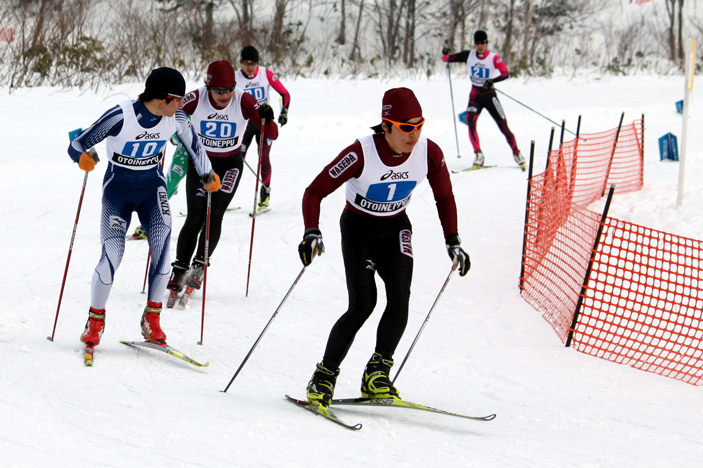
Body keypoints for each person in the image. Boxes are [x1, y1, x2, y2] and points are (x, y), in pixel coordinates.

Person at [297, 88, 471, 409]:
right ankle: (324, 376)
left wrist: (453, 239)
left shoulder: (428, 153)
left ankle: (377, 374)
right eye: (406, 127)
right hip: (359, 228)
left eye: (419, 125)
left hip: (396, 228)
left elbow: (444, 196)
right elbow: (314, 191)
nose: (414, 134)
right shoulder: (361, 153)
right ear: (386, 125)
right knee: (363, 303)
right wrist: (311, 231)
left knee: (400, 300)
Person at [67, 67, 220, 347]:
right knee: (112, 254)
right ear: (163, 98)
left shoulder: (177, 118)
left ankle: (152, 319)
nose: (182, 104)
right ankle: (95, 320)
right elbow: (78, 141)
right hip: (118, 190)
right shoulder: (121, 115)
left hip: (153, 188)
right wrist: (82, 157)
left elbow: (196, 148)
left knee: (162, 251)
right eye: (178, 98)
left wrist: (208, 174)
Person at [168, 60, 279, 296]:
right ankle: (179, 269)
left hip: (230, 166)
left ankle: (199, 265)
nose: (225, 95)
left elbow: (273, 134)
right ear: (209, 86)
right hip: (202, 165)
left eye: (229, 89)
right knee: (195, 216)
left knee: (214, 215)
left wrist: (267, 119)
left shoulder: (244, 99)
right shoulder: (196, 97)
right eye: (219, 90)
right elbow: (170, 116)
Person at [443, 30, 525, 170]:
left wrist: (492, 81)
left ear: (487, 43)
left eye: (483, 43)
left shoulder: (493, 58)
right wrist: (445, 53)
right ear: (475, 44)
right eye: (478, 43)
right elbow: (447, 59)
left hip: (490, 96)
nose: (480, 46)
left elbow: (505, 73)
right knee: (470, 121)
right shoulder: (469, 55)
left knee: (504, 127)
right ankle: (478, 155)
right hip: (475, 95)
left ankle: (516, 153)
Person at [235, 45, 291, 214]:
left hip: (263, 122)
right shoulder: (235, 77)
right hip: (244, 124)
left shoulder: (265, 74)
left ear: (258, 63)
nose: (250, 67)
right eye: (246, 63)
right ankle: (221, 195)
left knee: (264, 156)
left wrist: (284, 112)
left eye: (253, 63)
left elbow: (285, 94)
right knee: (237, 159)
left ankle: (265, 193)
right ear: (241, 63)